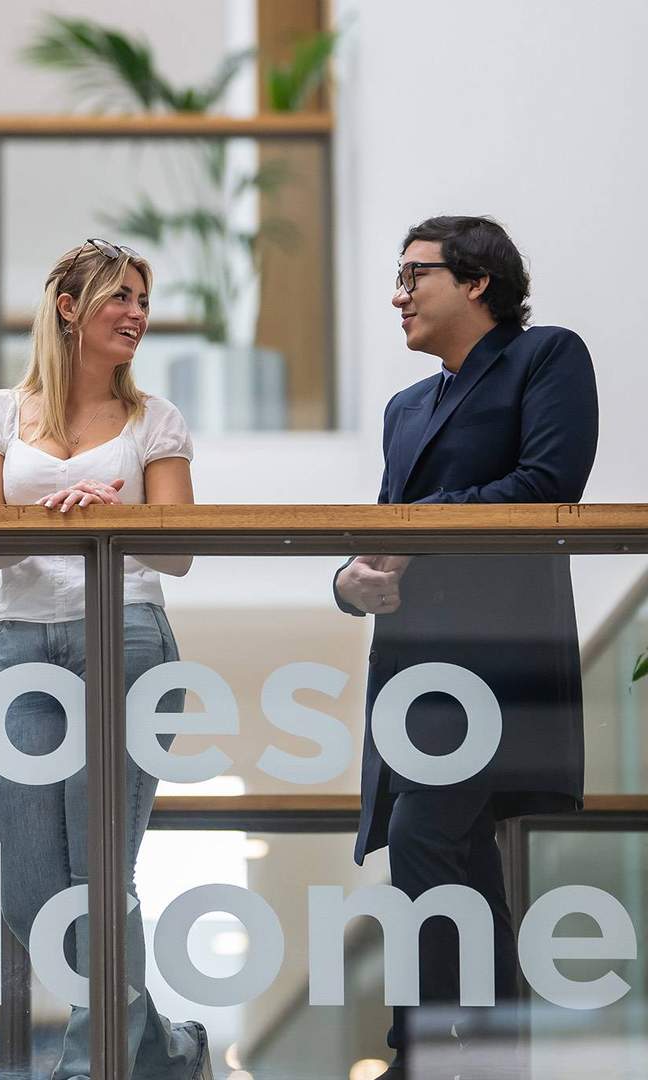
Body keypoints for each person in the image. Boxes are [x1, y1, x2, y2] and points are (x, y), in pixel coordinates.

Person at [334, 215, 597, 1077]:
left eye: (417, 275)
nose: (399, 293)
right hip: (412, 668)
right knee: (459, 862)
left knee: (423, 839)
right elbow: (380, 532)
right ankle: (497, 1047)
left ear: (478, 281)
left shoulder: (546, 356)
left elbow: (548, 485)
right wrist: (351, 581)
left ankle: (424, 1043)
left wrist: (419, 529)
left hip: (495, 660)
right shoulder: (407, 408)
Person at [0, 239, 209, 1080]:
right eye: (121, 298)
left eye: (144, 300)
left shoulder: (156, 421)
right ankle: (168, 1051)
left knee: (100, 866)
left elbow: (178, 553)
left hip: (128, 635)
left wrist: (106, 519)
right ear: (68, 307)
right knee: (30, 880)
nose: (138, 314)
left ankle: (88, 1063)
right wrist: (51, 518)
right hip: (22, 644)